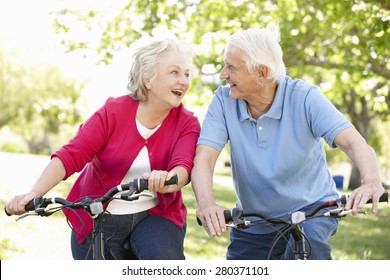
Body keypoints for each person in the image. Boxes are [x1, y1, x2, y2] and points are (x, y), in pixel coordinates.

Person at [191, 26, 385, 260]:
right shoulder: (223, 101)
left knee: (306, 249)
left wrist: (372, 182)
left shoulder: (304, 97)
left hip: (313, 211)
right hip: (255, 220)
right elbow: (204, 158)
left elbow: (354, 143)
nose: (223, 74)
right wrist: (206, 203)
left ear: (261, 73)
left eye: (231, 67)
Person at [5, 35, 201, 260]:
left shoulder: (187, 123)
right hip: (96, 216)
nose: (184, 81)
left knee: (162, 260)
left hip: (155, 216)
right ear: (147, 79)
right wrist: (34, 193)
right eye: (174, 72)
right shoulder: (112, 113)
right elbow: (71, 155)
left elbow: (183, 167)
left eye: (187, 74)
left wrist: (167, 180)